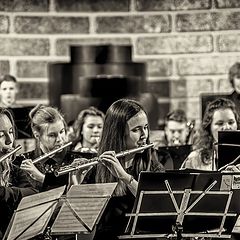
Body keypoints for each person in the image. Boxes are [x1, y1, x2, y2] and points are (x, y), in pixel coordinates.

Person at [77, 99, 164, 240]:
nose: (144, 135)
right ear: (118, 134)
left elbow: (158, 203)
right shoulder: (97, 169)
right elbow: (83, 223)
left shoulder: (153, 166)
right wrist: (77, 183)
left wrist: (124, 176)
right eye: (136, 129)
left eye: (146, 127)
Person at [0, 108, 37, 238]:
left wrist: (4, 192)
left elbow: (33, 193)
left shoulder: (14, 167)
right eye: (1, 135)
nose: (10, 140)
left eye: (11, 132)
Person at [19, 105, 72, 192]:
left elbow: (70, 190)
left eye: (62, 131)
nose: (60, 139)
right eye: (52, 135)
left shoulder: (73, 159)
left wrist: (40, 177)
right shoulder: (23, 160)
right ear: (37, 135)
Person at [181, 98, 239, 171]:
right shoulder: (195, 158)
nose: (227, 127)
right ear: (209, 127)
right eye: (220, 123)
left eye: (231, 122)